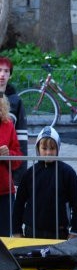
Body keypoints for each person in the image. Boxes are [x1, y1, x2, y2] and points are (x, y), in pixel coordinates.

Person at [12, 126, 77, 239]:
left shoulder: (68, 173)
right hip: (32, 232)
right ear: (38, 149)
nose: (48, 152)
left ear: (58, 149)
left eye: (52, 148)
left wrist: (75, 231)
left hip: (59, 233)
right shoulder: (29, 174)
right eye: (44, 148)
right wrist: (16, 230)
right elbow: (19, 204)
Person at [0, 57, 28, 186]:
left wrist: (20, 175)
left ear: (10, 75)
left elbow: (21, 140)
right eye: (0, 70)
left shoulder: (16, 101)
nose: (2, 75)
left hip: (8, 169)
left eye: (6, 71)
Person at [0, 93, 22, 236]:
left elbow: (19, 158)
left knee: (5, 239)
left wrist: (9, 155)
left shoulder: (8, 125)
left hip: (4, 192)